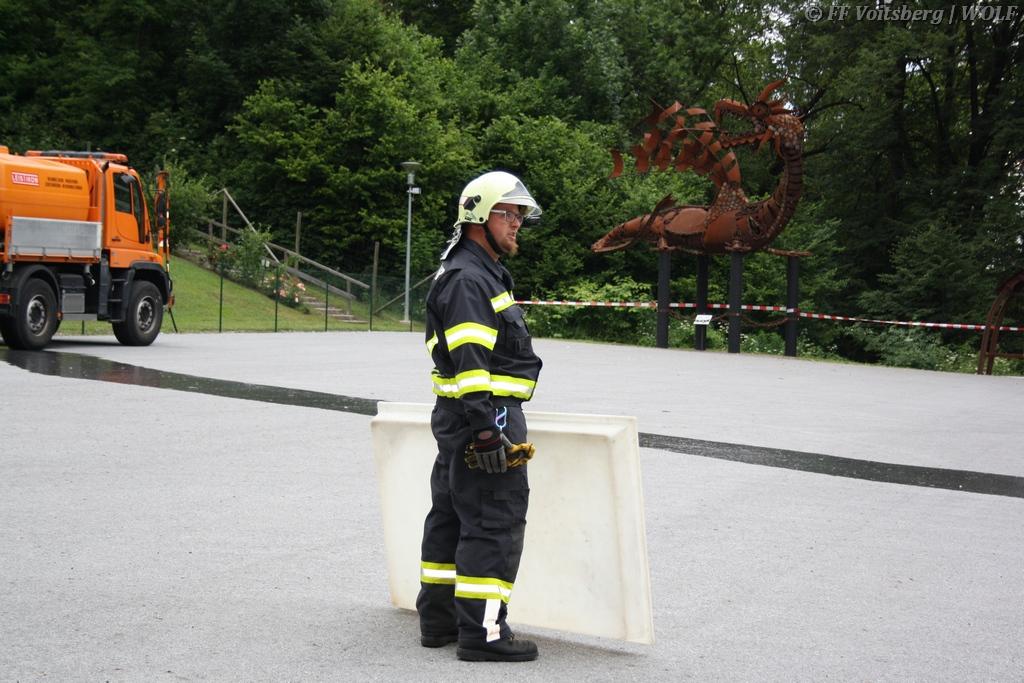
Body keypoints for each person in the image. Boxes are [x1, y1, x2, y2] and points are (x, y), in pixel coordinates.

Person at [416, 171, 544, 662]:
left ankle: (440, 621)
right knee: (494, 521)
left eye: (520, 216)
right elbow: (472, 362)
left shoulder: (470, 272)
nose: (517, 223)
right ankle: (483, 634)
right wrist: (488, 430)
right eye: (509, 214)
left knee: (450, 516)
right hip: (486, 418)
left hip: (462, 418)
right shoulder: (471, 279)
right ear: (480, 216)